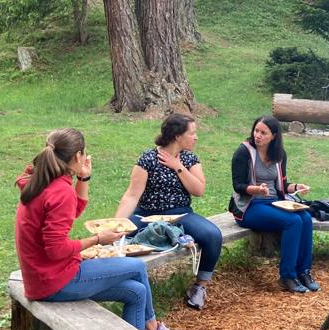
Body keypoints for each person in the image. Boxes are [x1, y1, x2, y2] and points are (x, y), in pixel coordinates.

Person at [15, 128, 181, 330]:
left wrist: (83, 178)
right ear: (78, 156)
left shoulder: (40, 179)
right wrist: (98, 239)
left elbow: (73, 211)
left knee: (137, 291)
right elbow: (55, 249)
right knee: (137, 267)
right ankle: (152, 328)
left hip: (41, 276)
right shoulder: (60, 191)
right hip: (53, 280)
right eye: (83, 153)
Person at [116, 113, 223, 311]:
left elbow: (198, 190)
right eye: (192, 133)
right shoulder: (148, 159)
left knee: (212, 235)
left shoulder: (189, 159)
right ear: (177, 136)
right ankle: (117, 282)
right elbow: (131, 195)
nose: (196, 137)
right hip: (147, 214)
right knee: (117, 237)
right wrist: (116, 223)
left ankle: (200, 286)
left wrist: (178, 167)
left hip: (181, 214)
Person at [229, 115, 317, 293]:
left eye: (263, 133)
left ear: (274, 136)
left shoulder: (279, 155)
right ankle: (287, 276)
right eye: (256, 131)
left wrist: (296, 187)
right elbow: (238, 186)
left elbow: (282, 186)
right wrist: (256, 189)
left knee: (306, 218)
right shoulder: (243, 152)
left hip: (274, 202)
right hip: (249, 206)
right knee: (293, 221)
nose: (258, 135)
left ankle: (304, 271)